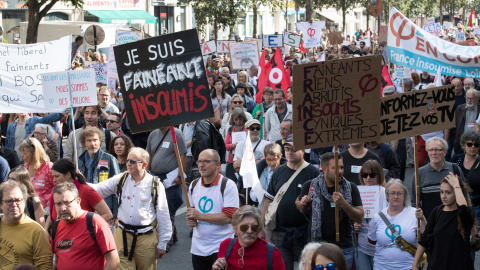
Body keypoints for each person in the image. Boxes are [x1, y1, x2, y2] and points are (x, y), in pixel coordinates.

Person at [90, 147, 172, 269]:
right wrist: (78, 181)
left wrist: (163, 243)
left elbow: (163, 215)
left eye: (133, 161)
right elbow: (97, 189)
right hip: (121, 235)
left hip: (146, 238)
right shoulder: (121, 179)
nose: (128, 164)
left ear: (144, 164)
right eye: (127, 160)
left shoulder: (155, 185)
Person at [262, 134, 320, 270]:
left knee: (306, 267)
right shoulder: (279, 171)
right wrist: (262, 227)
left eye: (293, 149)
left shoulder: (313, 172)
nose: (290, 152)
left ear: (303, 150)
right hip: (280, 233)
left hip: (304, 233)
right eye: (287, 149)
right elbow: (268, 201)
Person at [297, 152, 363, 269]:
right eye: (335, 168)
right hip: (317, 248)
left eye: (342, 167)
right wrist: (303, 204)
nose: (340, 171)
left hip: (343, 248)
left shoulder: (350, 187)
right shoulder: (310, 185)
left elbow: (359, 217)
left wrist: (344, 203)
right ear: (324, 169)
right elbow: (298, 205)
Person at [187, 149, 239, 270]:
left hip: (221, 247)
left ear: (218, 165)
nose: (201, 165)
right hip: (198, 248)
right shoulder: (193, 185)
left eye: (206, 161)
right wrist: (191, 221)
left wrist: (199, 216)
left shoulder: (228, 185)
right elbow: (192, 216)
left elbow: (230, 217)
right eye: (199, 161)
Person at [412, 173, 475, 270]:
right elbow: (425, 239)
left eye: (448, 192)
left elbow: (464, 209)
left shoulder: (464, 214)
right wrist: (415, 264)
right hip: (437, 265)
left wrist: (456, 186)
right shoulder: (437, 211)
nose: (443, 196)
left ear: (457, 193)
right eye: (441, 192)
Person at [50, 183, 119, 269]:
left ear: (78, 201)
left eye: (67, 203)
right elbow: (57, 260)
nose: (63, 208)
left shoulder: (95, 222)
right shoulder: (56, 227)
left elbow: (113, 260)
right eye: (58, 204)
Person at [368, 179, 426, 270]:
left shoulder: (415, 214)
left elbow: (425, 235)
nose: (396, 196)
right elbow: (371, 240)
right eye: (392, 193)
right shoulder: (377, 217)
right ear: (387, 195)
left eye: (399, 193)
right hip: (381, 267)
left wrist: (422, 218)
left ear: (404, 195)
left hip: (408, 266)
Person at [146, 126, 187, 250]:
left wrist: (180, 176)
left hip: (170, 178)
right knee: (157, 207)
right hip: (155, 176)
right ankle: (172, 236)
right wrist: (146, 172)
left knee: (168, 208)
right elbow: (149, 153)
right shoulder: (152, 134)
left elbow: (183, 155)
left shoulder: (177, 133)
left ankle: (167, 240)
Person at [45, 158, 113, 231]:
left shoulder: (86, 191)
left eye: (57, 176)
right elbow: (52, 215)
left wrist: (87, 228)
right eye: (53, 176)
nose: (54, 180)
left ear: (68, 174)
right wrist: (45, 230)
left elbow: (107, 214)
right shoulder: (57, 192)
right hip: (60, 236)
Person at [212, 205, 285, 270]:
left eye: (254, 227)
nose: (249, 231)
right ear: (235, 229)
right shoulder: (225, 246)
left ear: (259, 229)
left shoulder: (272, 253)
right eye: (244, 227)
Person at [0, 180, 52, 270]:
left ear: (24, 202)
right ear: (1, 204)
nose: (14, 205)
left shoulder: (36, 231)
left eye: (18, 200)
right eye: (9, 201)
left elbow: (44, 266)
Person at [411, 137, 465, 219]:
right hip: (430, 224)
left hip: (453, 222)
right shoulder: (419, 174)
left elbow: (464, 194)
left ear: (444, 152)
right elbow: (414, 202)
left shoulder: (455, 169)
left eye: (437, 150)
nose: (433, 153)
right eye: (430, 150)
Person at [77, 126, 119, 222]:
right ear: (84, 143)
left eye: (95, 140)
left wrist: (116, 214)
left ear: (100, 141)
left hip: (105, 207)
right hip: (86, 205)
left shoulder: (110, 159)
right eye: (89, 140)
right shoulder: (79, 161)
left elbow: (117, 187)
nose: (93, 144)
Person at [355, 160, 388, 270]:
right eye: (365, 175)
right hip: (362, 245)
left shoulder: (385, 193)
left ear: (379, 176)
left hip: (381, 247)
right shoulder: (357, 192)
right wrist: (353, 224)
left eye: (372, 175)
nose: (368, 178)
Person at [451, 131, 480, 223]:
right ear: (463, 145)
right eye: (469, 144)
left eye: (476, 144)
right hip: (457, 204)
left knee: (473, 234)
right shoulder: (456, 159)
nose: (473, 147)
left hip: (476, 206)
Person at [19, 138, 54, 210]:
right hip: (27, 209)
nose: (22, 155)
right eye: (21, 153)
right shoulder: (23, 168)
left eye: (25, 153)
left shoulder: (49, 167)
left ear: (34, 153)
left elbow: (58, 188)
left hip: (46, 210)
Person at [251, 143, 286, 211]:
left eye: (274, 159)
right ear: (265, 158)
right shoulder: (260, 171)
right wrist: (259, 194)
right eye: (269, 160)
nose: (272, 163)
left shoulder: (286, 171)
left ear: (280, 156)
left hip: (281, 210)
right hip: (263, 209)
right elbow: (252, 193)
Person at [224, 108, 248, 183]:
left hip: (244, 159)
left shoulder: (247, 129)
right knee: (231, 182)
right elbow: (226, 146)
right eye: (236, 119)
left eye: (240, 119)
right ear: (233, 119)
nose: (238, 122)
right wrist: (233, 146)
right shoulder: (230, 129)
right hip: (231, 160)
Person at [454, 89, 480, 156]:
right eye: (467, 98)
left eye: (471, 99)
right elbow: (455, 125)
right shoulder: (460, 108)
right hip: (462, 143)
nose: (469, 101)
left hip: (476, 144)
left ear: (477, 98)